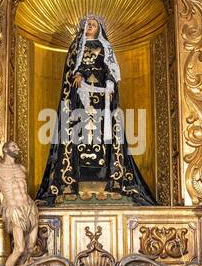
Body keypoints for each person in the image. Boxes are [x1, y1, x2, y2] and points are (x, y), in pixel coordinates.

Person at [36, 14, 155, 204]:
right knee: (79, 134)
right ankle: (74, 178)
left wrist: (109, 83)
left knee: (102, 135)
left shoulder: (106, 47)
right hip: (81, 99)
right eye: (87, 25)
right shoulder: (76, 46)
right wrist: (78, 74)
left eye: (93, 25)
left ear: (99, 28)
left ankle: (107, 177)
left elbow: (110, 68)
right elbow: (72, 68)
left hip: (101, 97)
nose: (90, 27)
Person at [0, 141, 39, 266]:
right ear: (5, 149)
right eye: (14, 146)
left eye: (17, 146)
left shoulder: (22, 168)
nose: (17, 148)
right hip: (14, 209)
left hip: (30, 208)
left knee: (30, 248)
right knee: (20, 248)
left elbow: (23, 188)